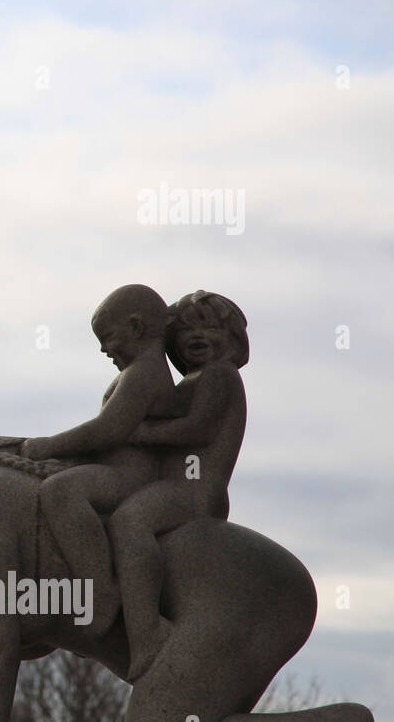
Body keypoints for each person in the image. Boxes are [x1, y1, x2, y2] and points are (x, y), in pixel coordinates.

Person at [109, 290, 249, 678]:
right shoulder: (193, 379)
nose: (196, 336)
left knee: (128, 521)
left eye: (209, 326)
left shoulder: (220, 375)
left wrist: (137, 433)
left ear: (233, 336)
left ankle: (147, 630)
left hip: (196, 490)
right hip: (177, 486)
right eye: (186, 329)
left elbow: (196, 428)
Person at [21, 285, 175, 635]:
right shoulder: (136, 373)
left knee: (61, 491)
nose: (104, 349)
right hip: (116, 470)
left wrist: (50, 446)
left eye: (107, 337)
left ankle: (101, 590)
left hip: (129, 477)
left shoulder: (143, 374)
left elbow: (106, 432)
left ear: (136, 328)